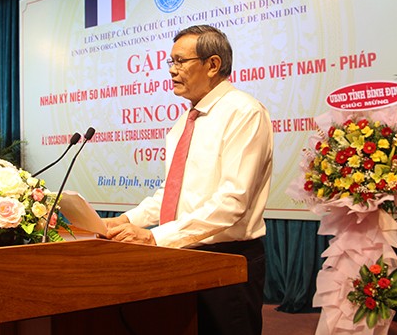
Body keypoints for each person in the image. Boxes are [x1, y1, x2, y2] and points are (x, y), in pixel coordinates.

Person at [104, 25, 273, 335]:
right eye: (170, 62)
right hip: (184, 255)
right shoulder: (186, 119)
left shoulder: (244, 112)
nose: (172, 70)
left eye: (180, 61)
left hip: (227, 261)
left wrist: (156, 237)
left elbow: (232, 202)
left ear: (212, 65)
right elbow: (172, 195)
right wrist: (125, 221)